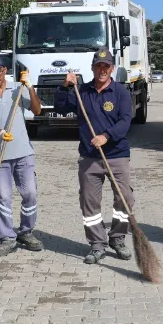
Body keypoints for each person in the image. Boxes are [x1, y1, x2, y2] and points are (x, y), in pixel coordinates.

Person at [54, 49, 135, 265]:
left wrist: (106, 136)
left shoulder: (121, 92)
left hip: (117, 155)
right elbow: (60, 108)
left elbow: (126, 120)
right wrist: (65, 86)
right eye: (98, 66)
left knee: (125, 198)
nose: (102, 70)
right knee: (90, 202)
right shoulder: (82, 92)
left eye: (106, 66)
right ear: (92, 68)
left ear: (112, 69)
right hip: (89, 157)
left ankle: (117, 238)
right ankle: (97, 245)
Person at [0, 56, 44, 257]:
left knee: (30, 193)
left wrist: (30, 87)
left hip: (23, 152)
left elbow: (37, 109)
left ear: (5, 70)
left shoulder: (17, 88)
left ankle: (26, 232)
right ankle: (7, 238)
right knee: (3, 198)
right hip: (0, 156)